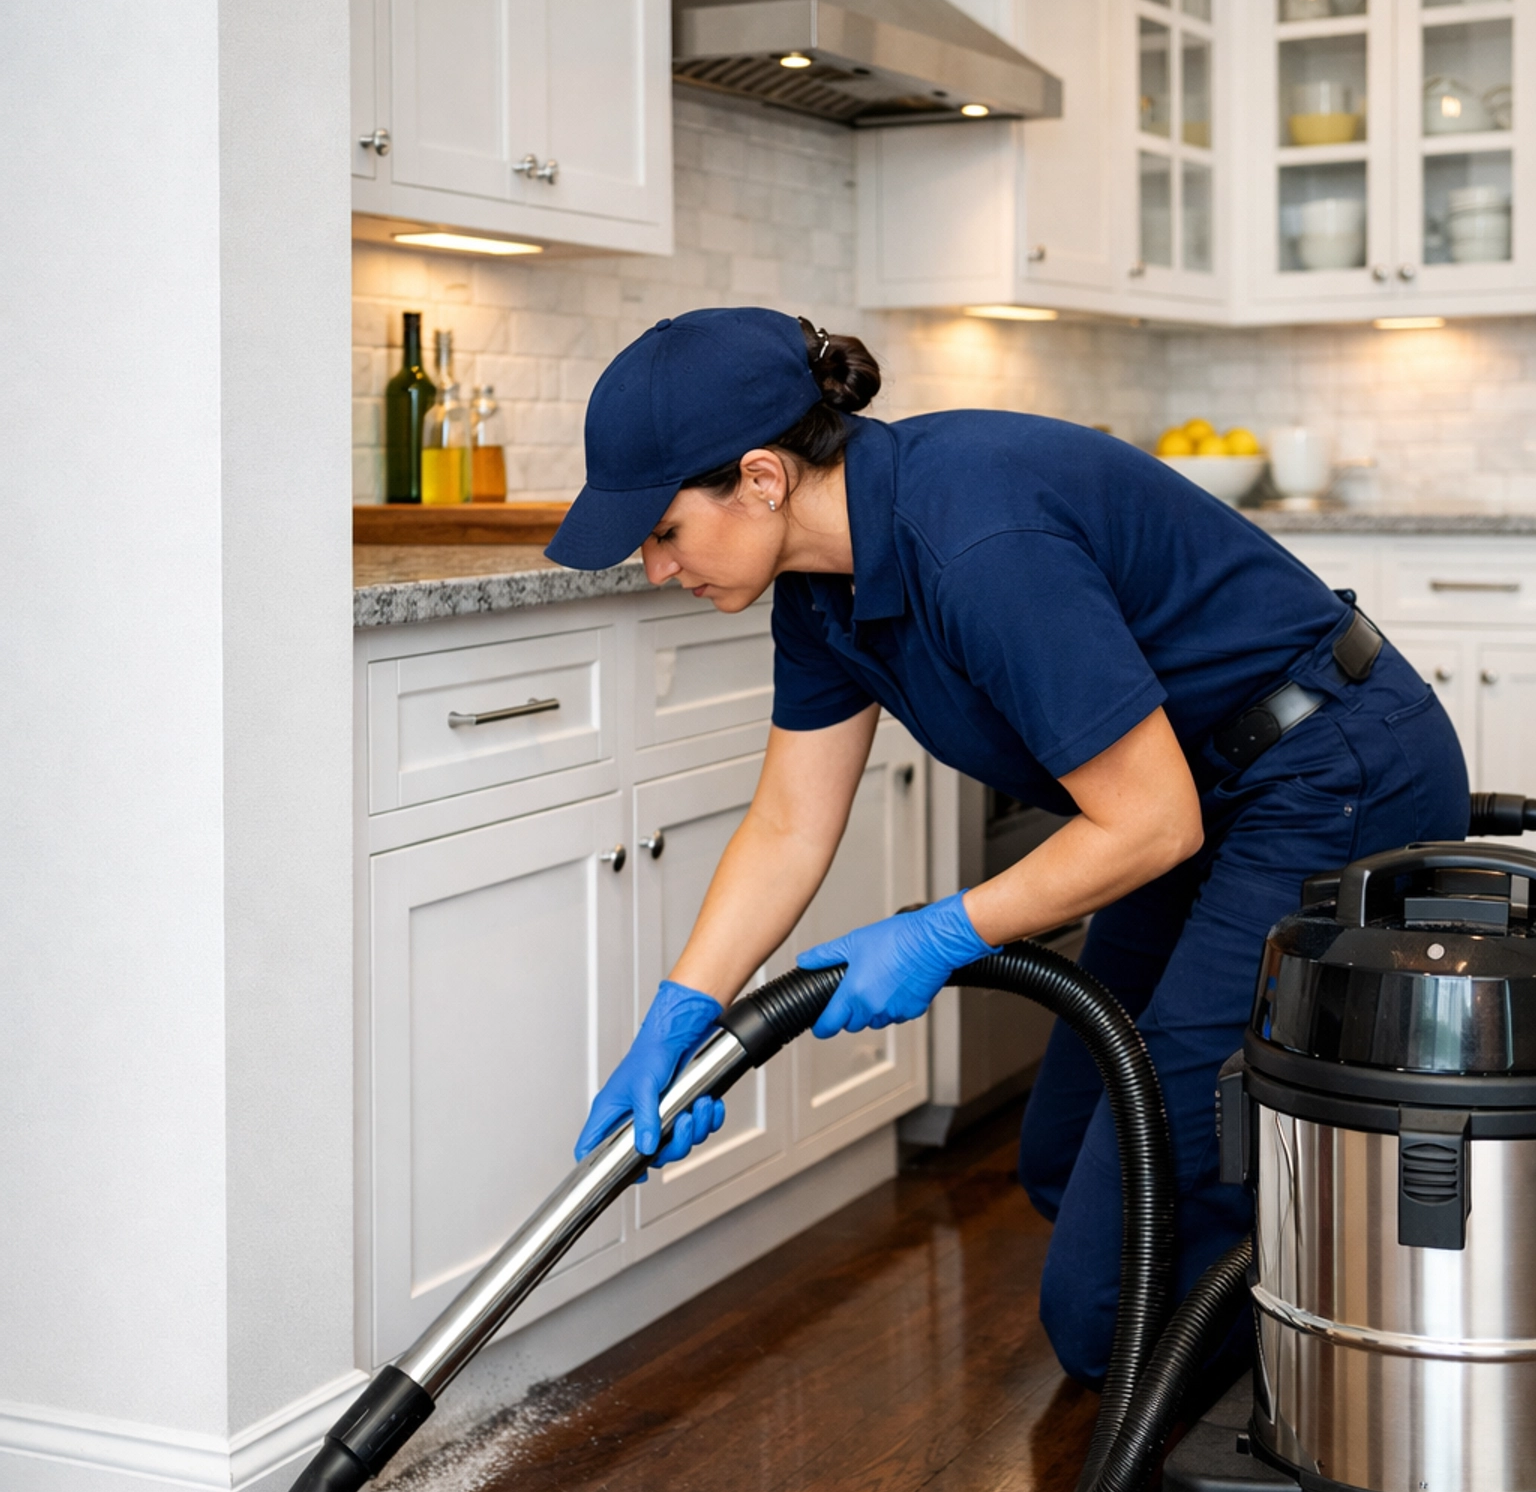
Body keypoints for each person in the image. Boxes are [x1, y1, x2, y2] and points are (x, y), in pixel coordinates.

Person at [546, 308, 1468, 1389]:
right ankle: (1256, 1328)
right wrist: (684, 1013)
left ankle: (1348, 1409)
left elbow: (1149, 822)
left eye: (661, 532)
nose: (657, 568)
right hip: (1198, 800)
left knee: (1113, 1300)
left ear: (761, 480)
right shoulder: (819, 590)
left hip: (1330, 777)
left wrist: (939, 933)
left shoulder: (976, 538)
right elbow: (791, 821)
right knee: (1070, 1155)